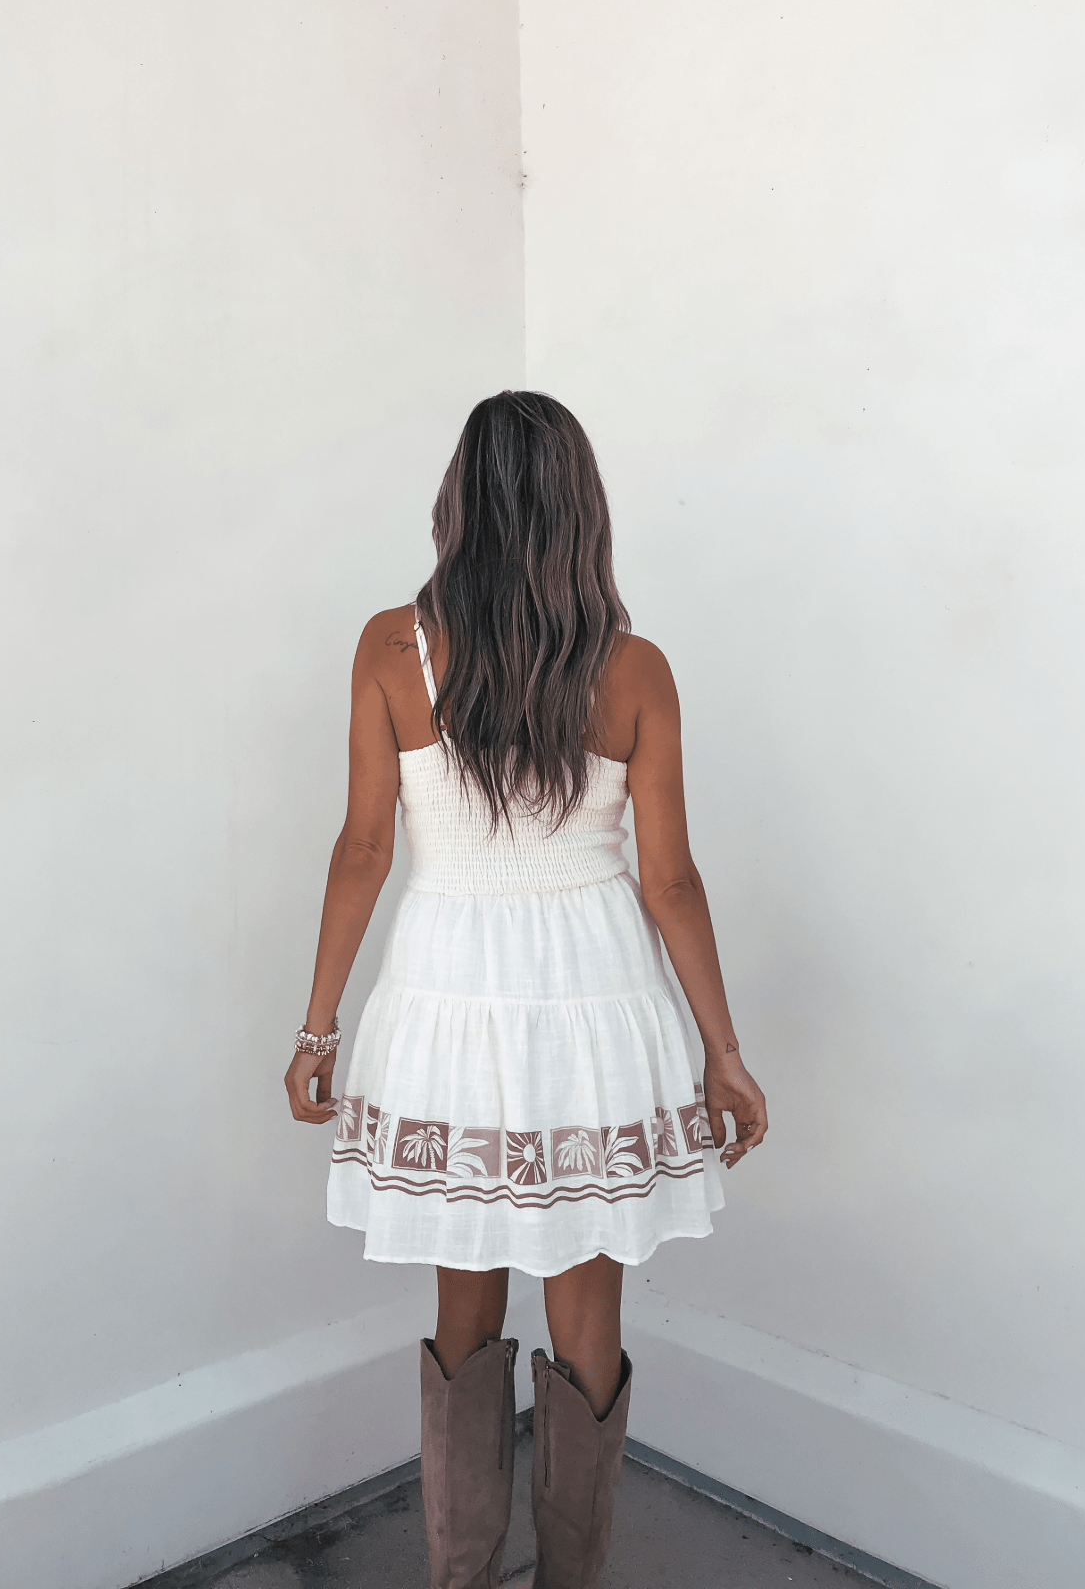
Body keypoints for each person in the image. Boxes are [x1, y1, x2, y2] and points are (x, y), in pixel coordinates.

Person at [284, 391, 768, 1589]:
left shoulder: (393, 647)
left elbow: (362, 846)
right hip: (598, 1005)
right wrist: (724, 1049)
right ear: (581, 510)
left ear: (459, 501)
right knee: (587, 1314)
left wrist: (316, 1025)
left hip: (450, 997)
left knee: (467, 1305)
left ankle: (460, 1577)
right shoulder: (634, 668)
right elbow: (672, 880)